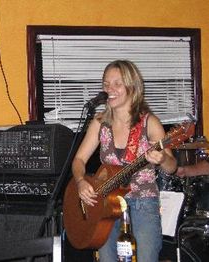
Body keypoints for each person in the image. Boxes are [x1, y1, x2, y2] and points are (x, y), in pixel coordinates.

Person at [71, 60, 177, 261]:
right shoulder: (100, 123)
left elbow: (172, 167)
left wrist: (162, 158)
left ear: (132, 86)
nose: (110, 89)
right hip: (105, 206)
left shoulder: (150, 123)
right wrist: (80, 181)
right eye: (106, 84)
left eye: (117, 83)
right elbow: (78, 160)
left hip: (143, 204)